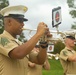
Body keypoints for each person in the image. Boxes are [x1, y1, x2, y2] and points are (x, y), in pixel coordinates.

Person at [0, 5, 52, 75]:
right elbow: (18, 53)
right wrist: (38, 34)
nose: (23, 24)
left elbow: (40, 60)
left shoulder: (20, 44)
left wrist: (44, 41)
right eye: (20, 21)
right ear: (9, 22)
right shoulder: (1, 39)